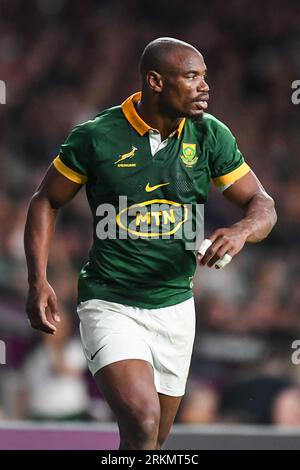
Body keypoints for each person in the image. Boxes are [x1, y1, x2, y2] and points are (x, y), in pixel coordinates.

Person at [24, 37, 277, 450]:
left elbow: (262, 204)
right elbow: (46, 199)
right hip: (111, 303)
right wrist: (39, 280)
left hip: (176, 308)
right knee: (143, 422)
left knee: (152, 443)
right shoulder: (97, 136)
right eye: (192, 76)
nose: (204, 87)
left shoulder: (210, 135)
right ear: (156, 81)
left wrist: (241, 230)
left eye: (205, 77)